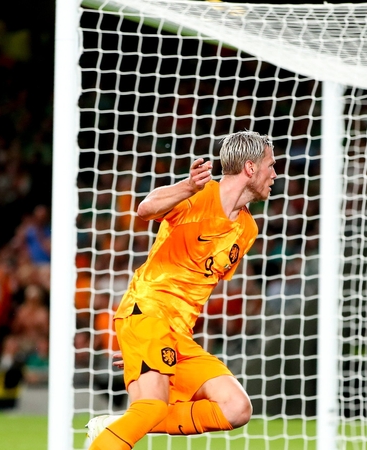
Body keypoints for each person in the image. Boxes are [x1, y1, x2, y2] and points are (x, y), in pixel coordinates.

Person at [86, 131, 278, 449]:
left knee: (236, 408)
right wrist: (188, 186)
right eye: (270, 165)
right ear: (250, 168)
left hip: (178, 333)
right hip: (148, 310)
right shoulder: (198, 195)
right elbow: (145, 209)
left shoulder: (247, 229)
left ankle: (121, 425)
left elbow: (200, 285)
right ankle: (127, 426)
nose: (275, 174)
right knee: (151, 406)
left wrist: (140, 345)